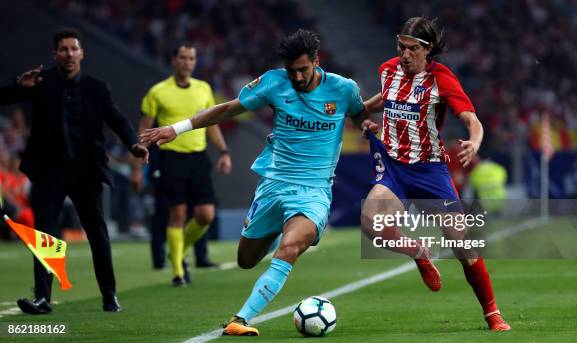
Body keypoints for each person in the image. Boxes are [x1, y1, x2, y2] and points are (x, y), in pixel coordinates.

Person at [140, 29, 364, 336]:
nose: (297, 77)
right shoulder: (274, 82)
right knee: (246, 260)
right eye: (291, 71)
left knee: (290, 248)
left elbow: (361, 113)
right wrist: (177, 129)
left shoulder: (343, 89)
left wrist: (372, 123)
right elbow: (229, 108)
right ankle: (277, 228)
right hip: (273, 185)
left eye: (303, 69)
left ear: (316, 61)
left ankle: (240, 319)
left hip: (313, 191)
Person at [358, 17, 511, 331]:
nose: (405, 54)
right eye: (401, 46)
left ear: (427, 50)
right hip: (394, 169)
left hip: (430, 172)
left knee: (462, 246)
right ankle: (418, 252)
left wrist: (475, 142)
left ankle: (492, 313)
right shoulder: (387, 70)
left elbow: (472, 119)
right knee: (370, 222)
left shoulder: (442, 78)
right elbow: (377, 103)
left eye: (413, 49)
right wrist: (363, 119)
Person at [0, 28, 149, 314]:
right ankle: (43, 299)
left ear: (82, 53)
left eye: (73, 48)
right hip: (48, 172)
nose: (69, 54)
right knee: (44, 235)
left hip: (85, 172)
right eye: (63, 49)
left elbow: (116, 119)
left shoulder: (97, 87)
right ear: (54, 54)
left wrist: (134, 144)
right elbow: (3, 98)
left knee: (97, 233)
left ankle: (109, 295)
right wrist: (18, 86)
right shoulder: (39, 83)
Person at [136, 43, 231, 286]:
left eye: (191, 58)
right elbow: (144, 127)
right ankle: (178, 271)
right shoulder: (158, 91)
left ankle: (178, 250)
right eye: (183, 57)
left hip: (198, 157)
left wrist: (223, 151)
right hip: (170, 158)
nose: (187, 62)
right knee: (176, 215)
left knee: (206, 215)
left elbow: (212, 123)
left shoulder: (204, 89)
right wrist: (139, 160)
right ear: (174, 60)